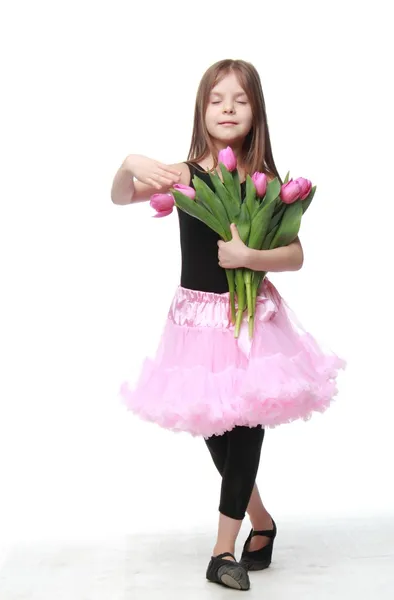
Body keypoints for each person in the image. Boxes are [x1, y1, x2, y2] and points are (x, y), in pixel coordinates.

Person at [111, 59, 345, 591]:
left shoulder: (265, 183)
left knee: (247, 424)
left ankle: (222, 552)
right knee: (219, 427)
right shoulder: (185, 176)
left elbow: (295, 254)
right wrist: (129, 162)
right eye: (217, 99)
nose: (228, 108)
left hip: (252, 319)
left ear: (255, 110)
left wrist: (247, 256)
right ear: (201, 108)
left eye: (239, 100)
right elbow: (121, 195)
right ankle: (260, 520)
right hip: (197, 321)